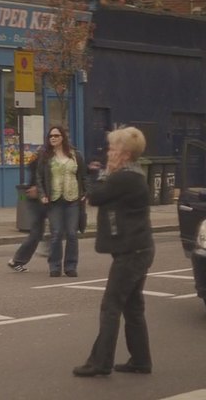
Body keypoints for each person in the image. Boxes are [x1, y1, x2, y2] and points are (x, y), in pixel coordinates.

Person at [72, 127, 155, 377]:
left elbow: (95, 197)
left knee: (111, 306)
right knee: (132, 306)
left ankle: (100, 362)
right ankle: (141, 360)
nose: (109, 153)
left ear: (126, 154)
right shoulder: (133, 176)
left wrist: (103, 172)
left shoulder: (123, 178)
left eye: (113, 149)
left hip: (132, 251)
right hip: (139, 248)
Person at [36, 126, 87, 277]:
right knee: (56, 233)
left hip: (73, 199)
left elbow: (84, 176)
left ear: (63, 137)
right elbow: (39, 178)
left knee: (72, 234)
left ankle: (71, 266)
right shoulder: (45, 156)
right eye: (51, 136)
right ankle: (55, 266)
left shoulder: (76, 155)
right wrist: (42, 194)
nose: (53, 138)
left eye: (56, 136)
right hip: (54, 200)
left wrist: (85, 193)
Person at [7, 150, 47, 273]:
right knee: (37, 232)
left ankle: (49, 251)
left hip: (43, 198)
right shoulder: (43, 158)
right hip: (36, 200)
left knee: (44, 230)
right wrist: (36, 188)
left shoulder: (45, 157)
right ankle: (17, 260)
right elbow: (37, 178)